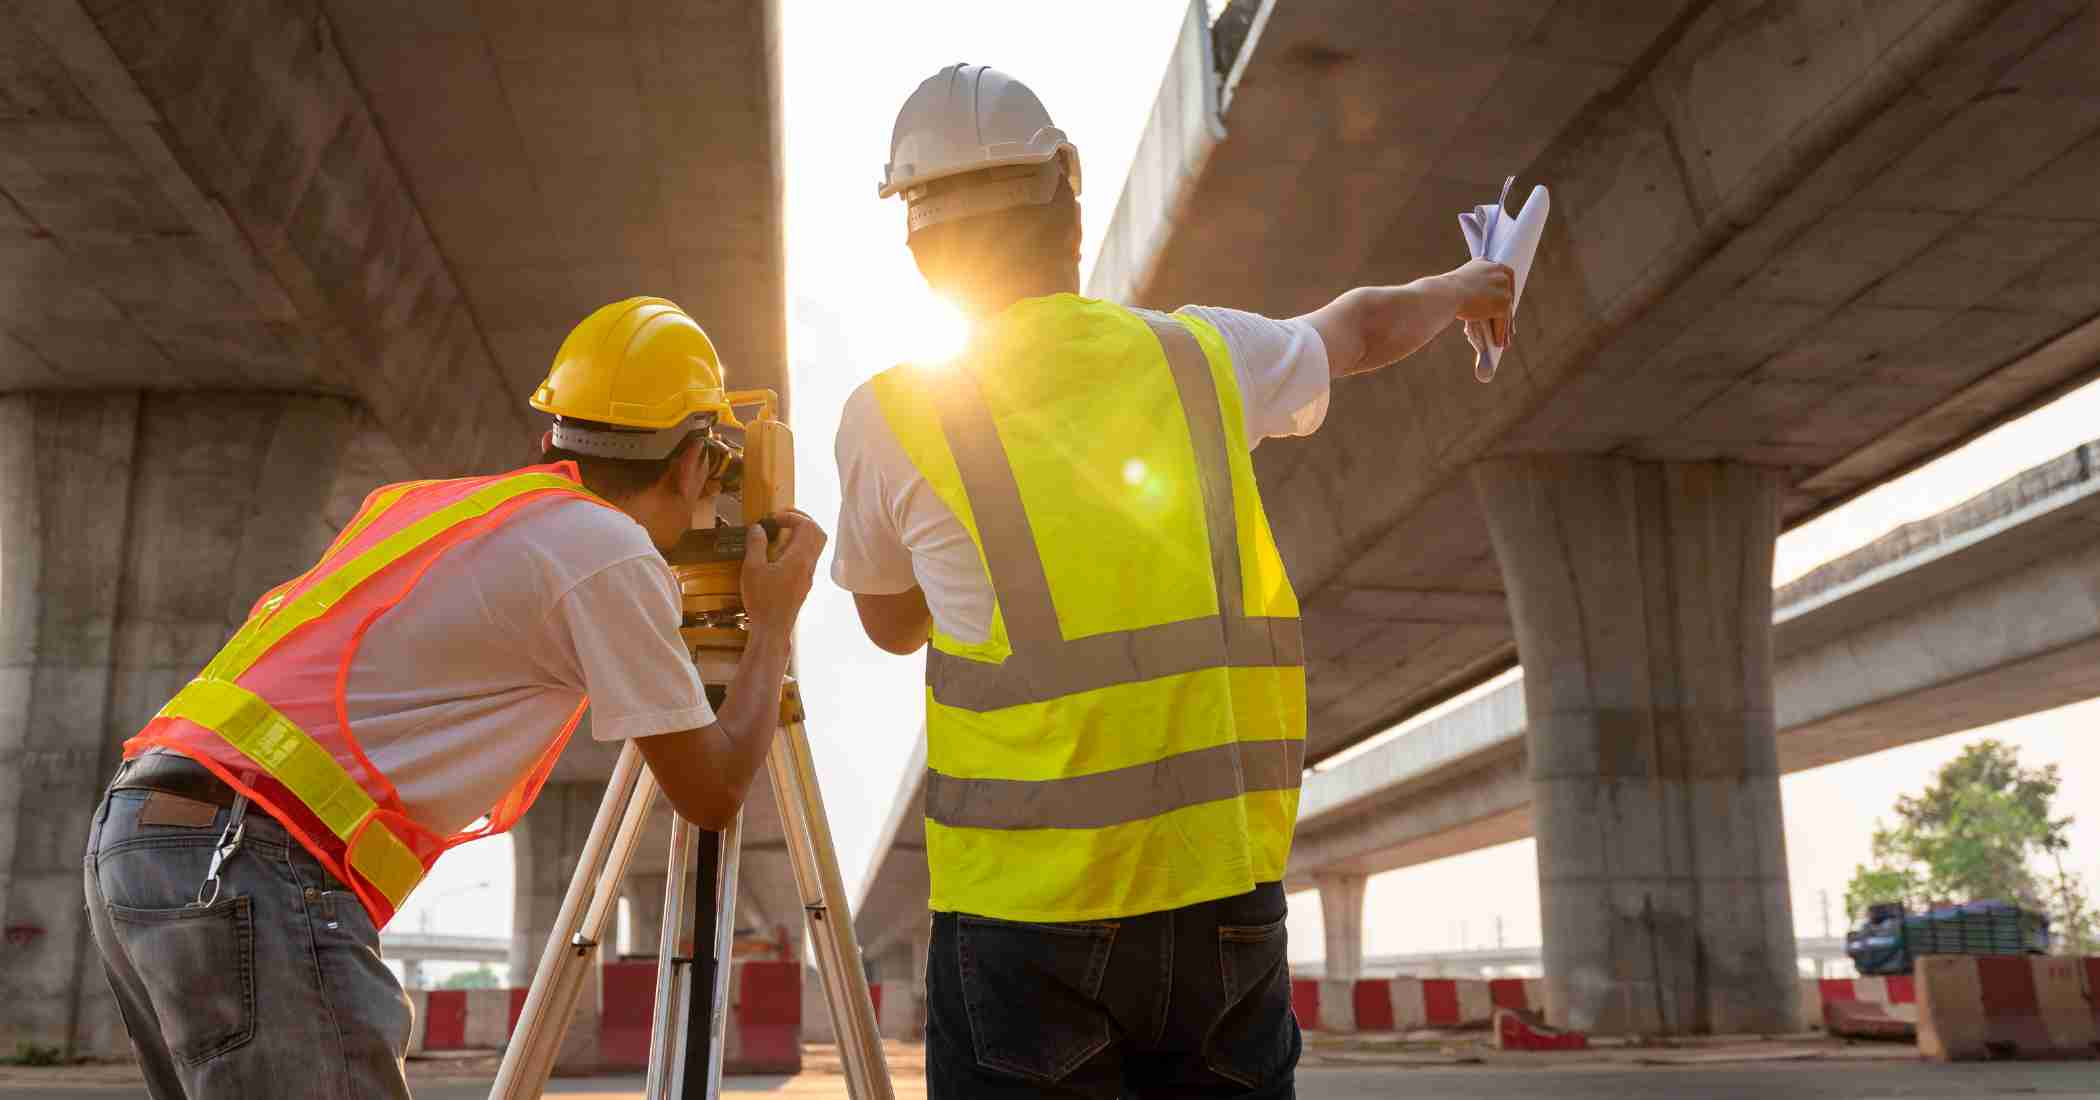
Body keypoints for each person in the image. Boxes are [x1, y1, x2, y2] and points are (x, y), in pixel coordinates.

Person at [830, 64, 1515, 1099]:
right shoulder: (1199, 358)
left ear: (918, 242)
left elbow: (887, 622)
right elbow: (1362, 326)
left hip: (1023, 922)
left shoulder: (891, 417)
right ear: (1070, 189)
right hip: (1221, 903)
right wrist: (1463, 288)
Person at [81, 297, 827, 1099]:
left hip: (140, 837)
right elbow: (711, 793)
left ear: (554, 437)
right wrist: (775, 617)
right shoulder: (606, 551)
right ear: (692, 461)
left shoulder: (427, 507)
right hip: (250, 856)